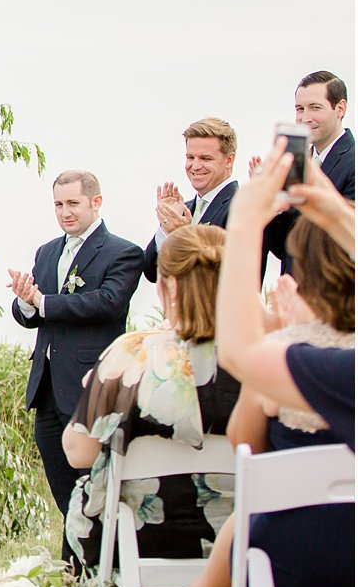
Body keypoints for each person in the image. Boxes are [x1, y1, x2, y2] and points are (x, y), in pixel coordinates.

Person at [129, 212, 354, 587]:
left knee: (255, 513)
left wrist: (285, 336)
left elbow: (244, 445)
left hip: (295, 560)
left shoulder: (288, 359)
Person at [59, 226, 241, 587]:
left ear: (168, 286)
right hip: (242, 542)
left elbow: (78, 453)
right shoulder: (260, 358)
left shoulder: (132, 353)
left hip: (143, 539)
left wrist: (98, 384)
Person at [7, 170, 145, 518]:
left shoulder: (124, 252)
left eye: (73, 203)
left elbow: (108, 302)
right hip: (47, 387)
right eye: (58, 204)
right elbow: (32, 313)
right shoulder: (47, 251)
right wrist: (26, 301)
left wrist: (44, 302)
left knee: (95, 486)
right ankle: (74, 561)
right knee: (63, 489)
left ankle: (100, 559)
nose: (65, 212)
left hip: (91, 386)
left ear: (95, 202)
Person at [218, 143, 356, 446]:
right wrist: (338, 215)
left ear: (305, 273)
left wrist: (245, 222)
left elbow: (244, 444)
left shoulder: (326, 364)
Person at [262, 71, 354, 274]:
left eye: (315, 108)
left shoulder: (353, 163)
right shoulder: (296, 168)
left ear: (340, 109)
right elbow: (285, 249)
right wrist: (272, 204)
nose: (305, 118)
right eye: (299, 109)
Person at [143, 117, 239, 283]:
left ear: (229, 160)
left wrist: (185, 234)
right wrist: (167, 230)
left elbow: (231, 273)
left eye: (205, 158)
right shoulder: (184, 209)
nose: (195, 166)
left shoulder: (242, 207)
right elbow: (152, 272)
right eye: (190, 157)